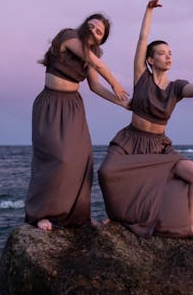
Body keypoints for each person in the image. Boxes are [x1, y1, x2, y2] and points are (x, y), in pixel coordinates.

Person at [98, 0, 193, 242]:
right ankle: (118, 215)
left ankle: (192, 226)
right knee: (106, 172)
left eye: (170, 53)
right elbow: (142, 41)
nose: (168, 57)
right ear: (151, 59)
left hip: (158, 146)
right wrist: (148, 11)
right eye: (162, 53)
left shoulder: (176, 87)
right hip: (131, 140)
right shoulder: (141, 77)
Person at [25, 13, 129, 231]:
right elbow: (97, 64)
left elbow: (95, 86)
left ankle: (77, 217)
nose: (93, 31)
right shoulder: (69, 36)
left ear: (101, 39)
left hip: (73, 106)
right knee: (57, 158)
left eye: (99, 31)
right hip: (51, 104)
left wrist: (122, 104)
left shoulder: (92, 53)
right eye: (91, 26)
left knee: (83, 160)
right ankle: (40, 214)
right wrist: (115, 84)